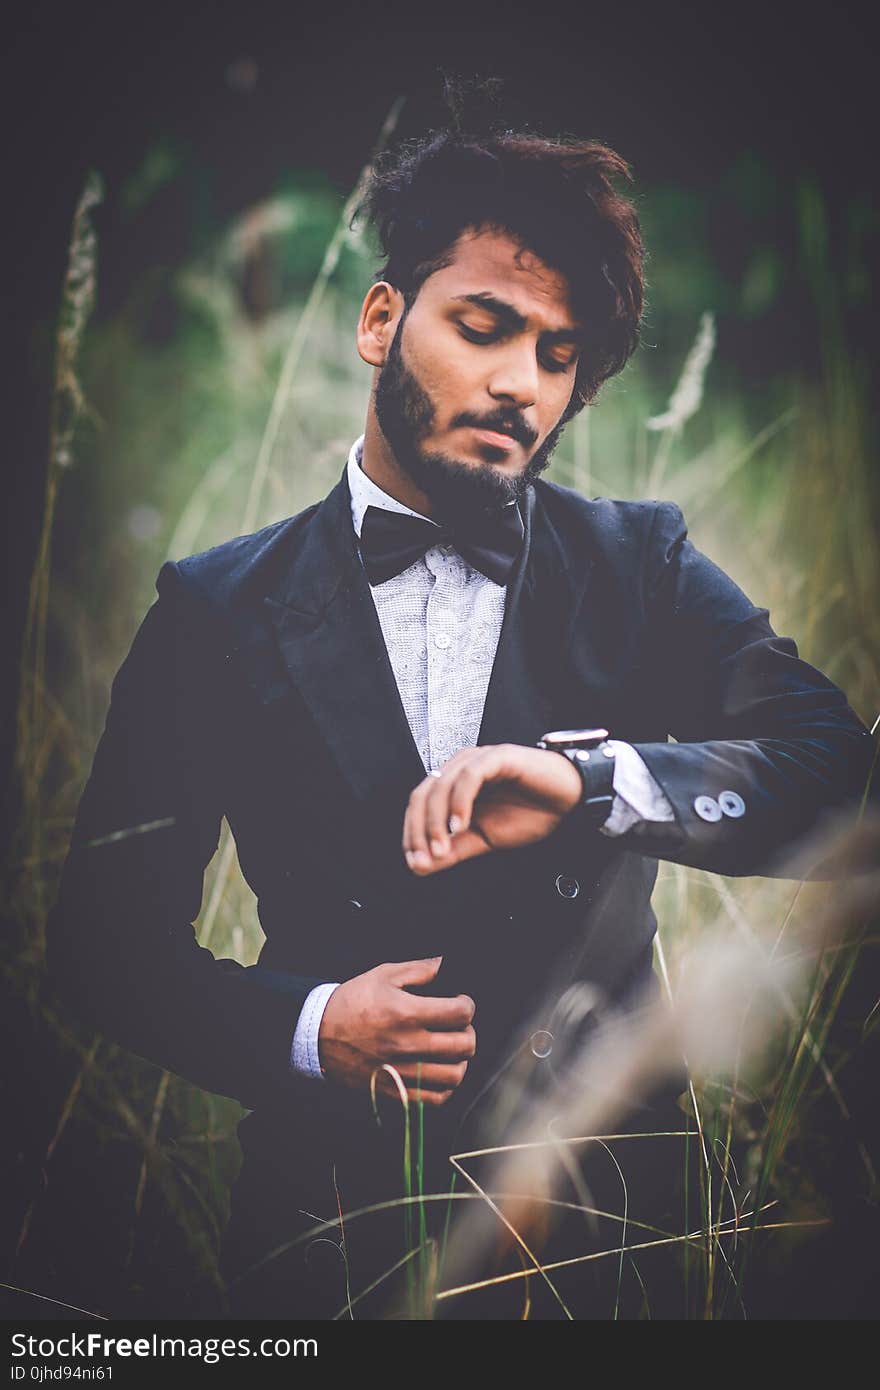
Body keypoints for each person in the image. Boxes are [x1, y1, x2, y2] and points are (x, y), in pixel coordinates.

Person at [46, 124, 874, 1320]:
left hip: (603, 1234)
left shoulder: (640, 564)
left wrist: (599, 786)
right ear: (381, 321)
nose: (518, 382)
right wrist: (308, 1026)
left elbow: (838, 770)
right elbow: (96, 944)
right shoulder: (215, 608)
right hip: (321, 1241)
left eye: (556, 354)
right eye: (483, 327)